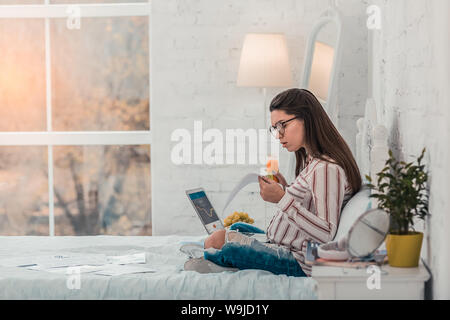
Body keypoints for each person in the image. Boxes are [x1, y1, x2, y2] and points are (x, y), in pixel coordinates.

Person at [203, 88, 362, 277]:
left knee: (223, 246)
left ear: (307, 118)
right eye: (275, 128)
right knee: (237, 228)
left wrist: (282, 198)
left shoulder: (326, 168)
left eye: (282, 125)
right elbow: (311, 203)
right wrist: (287, 189)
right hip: (282, 243)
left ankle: (222, 262)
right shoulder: (313, 162)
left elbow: (325, 233)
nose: (278, 135)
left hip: (299, 261)